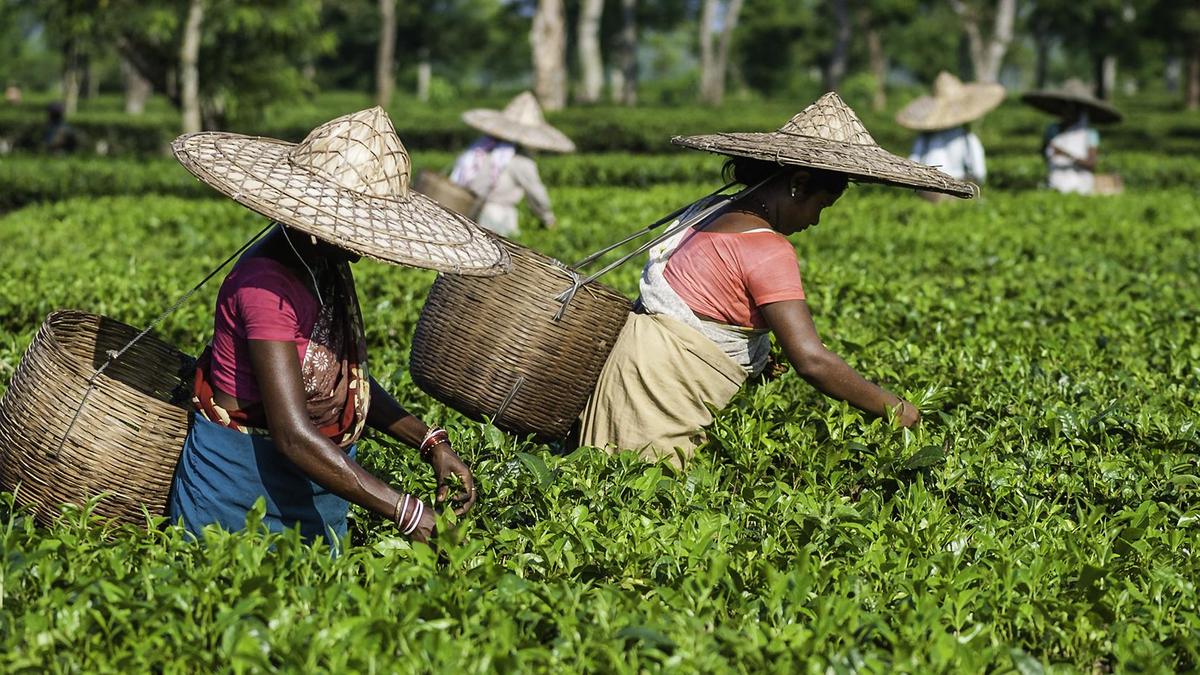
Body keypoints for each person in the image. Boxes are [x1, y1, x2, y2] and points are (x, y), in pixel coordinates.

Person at [167, 106, 511, 545]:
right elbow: (292, 434)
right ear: (315, 226)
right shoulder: (266, 286)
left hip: (315, 484)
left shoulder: (321, 265)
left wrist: (430, 441)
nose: (364, 247)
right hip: (239, 495)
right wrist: (405, 511)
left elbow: (346, 380)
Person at [578, 93, 978, 468]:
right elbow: (812, 361)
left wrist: (750, 351)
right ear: (798, 184)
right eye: (820, 205)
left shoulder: (710, 211)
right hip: (661, 400)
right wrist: (899, 410)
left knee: (608, 484)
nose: (816, 220)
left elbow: (702, 309)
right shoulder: (769, 249)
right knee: (646, 494)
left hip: (627, 379)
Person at [451, 91, 575, 237]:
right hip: (497, 217)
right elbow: (536, 193)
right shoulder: (520, 161)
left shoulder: (483, 149)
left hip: (469, 210)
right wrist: (548, 219)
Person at [896, 71, 1005, 201]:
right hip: (959, 190)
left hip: (929, 191)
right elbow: (979, 171)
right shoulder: (967, 137)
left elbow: (912, 163)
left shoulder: (925, 138)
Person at [1021, 79, 1123, 195]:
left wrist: (1066, 154)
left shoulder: (1090, 134)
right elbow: (1043, 152)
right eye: (1064, 106)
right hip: (1055, 180)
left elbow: (1091, 164)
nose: (1066, 111)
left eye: (1071, 107)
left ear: (1079, 111)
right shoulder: (1052, 130)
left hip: (1081, 184)